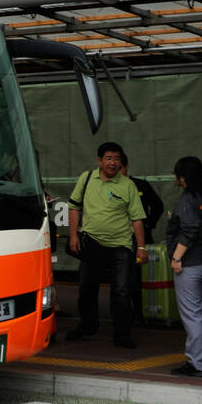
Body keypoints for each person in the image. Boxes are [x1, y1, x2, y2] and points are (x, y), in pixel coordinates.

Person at [66, 141, 146, 348]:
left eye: (117, 159)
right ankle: (87, 326)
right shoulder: (86, 179)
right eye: (109, 158)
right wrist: (73, 236)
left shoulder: (128, 185)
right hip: (91, 243)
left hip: (120, 246)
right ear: (99, 161)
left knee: (121, 291)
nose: (113, 163)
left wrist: (141, 247)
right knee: (86, 288)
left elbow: (137, 219)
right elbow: (74, 207)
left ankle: (121, 334)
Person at [166, 156, 202, 377]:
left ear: (181, 177)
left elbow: (189, 230)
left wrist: (177, 258)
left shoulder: (187, 200)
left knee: (192, 314)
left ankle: (197, 363)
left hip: (190, 264)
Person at [121, 152, 164, 325]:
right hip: (120, 238)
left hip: (140, 238)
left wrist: (149, 224)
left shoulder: (140, 185)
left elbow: (158, 206)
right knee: (125, 278)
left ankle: (141, 312)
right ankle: (128, 312)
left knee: (138, 277)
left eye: (121, 167)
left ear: (126, 166)